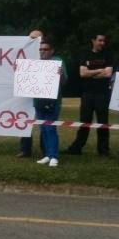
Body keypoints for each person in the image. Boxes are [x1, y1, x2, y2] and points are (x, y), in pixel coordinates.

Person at [66, 34, 113, 156]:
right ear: (93, 41)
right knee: (84, 122)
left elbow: (108, 74)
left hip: (102, 94)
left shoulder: (108, 55)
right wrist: (98, 71)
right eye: (100, 40)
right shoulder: (85, 54)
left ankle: (103, 150)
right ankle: (77, 148)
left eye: (104, 40)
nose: (102, 43)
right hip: (87, 94)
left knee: (103, 123)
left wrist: (90, 72)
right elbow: (82, 73)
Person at [33, 38, 67, 167]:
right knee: (43, 129)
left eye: (45, 49)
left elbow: (64, 81)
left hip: (53, 101)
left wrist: (60, 75)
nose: (42, 52)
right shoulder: (34, 63)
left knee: (50, 128)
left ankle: (54, 156)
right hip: (38, 101)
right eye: (40, 49)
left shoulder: (57, 61)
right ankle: (48, 155)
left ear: (52, 51)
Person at [18, 29, 46, 158]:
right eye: (31, 38)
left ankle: (45, 149)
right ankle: (25, 149)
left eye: (36, 38)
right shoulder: (24, 53)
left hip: (43, 96)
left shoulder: (46, 55)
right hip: (26, 94)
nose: (33, 41)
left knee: (45, 123)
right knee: (25, 120)